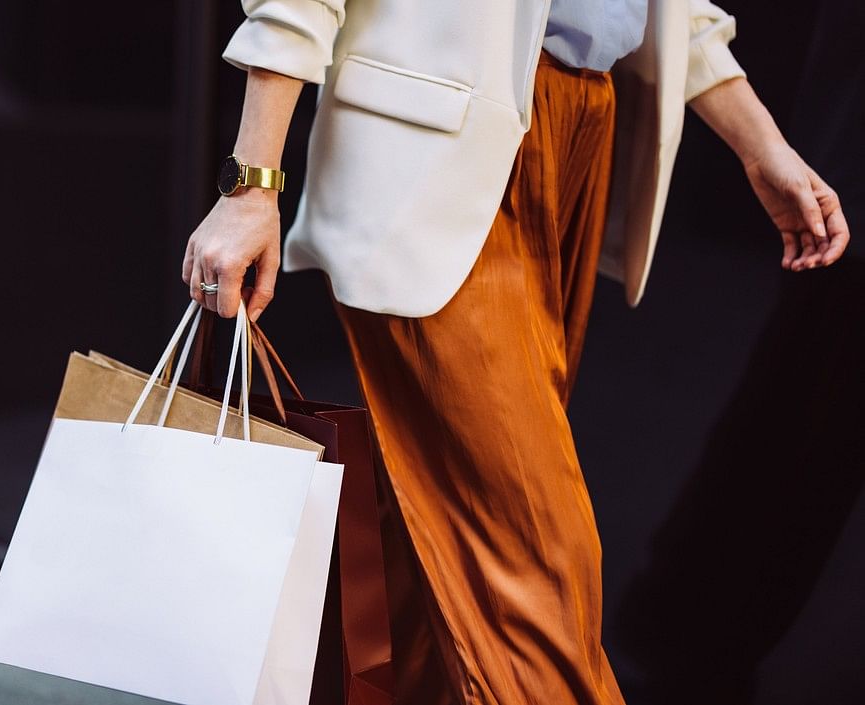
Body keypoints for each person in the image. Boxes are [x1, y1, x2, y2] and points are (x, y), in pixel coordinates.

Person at [180, 1, 851, 703]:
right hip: (431, 142)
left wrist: (759, 143)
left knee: (444, 546)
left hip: (581, 123)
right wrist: (251, 184)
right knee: (534, 563)